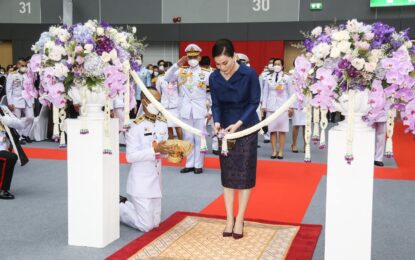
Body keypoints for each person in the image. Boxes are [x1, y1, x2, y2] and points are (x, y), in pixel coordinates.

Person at [210, 39, 260, 239]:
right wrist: (216, 122)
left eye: (225, 63)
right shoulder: (214, 77)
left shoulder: (248, 74)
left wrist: (239, 123)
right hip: (225, 130)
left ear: (234, 57)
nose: (222, 67)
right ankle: (229, 218)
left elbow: (254, 102)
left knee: (244, 174)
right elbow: (215, 104)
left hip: (246, 126)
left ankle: (240, 218)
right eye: (218, 64)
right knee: (228, 175)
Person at [119, 88, 174, 232]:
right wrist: (154, 150)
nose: (158, 104)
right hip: (141, 183)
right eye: (154, 100)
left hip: (156, 181)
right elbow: (130, 157)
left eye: (159, 101)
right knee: (146, 226)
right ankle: (119, 207)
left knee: (156, 223)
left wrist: (170, 152)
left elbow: (163, 149)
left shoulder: (162, 122)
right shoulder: (135, 127)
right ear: (144, 102)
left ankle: (127, 204)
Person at [164, 43, 211, 174]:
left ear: (200, 58)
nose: (192, 60)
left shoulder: (206, 73)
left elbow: (212, 91)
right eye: (190, 57)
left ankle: (198, 165)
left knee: (199, 137)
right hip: (185, 109)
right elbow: (167, 78)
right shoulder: (181, 71)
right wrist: (177, 64)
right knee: (188, 137)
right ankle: (189, 164)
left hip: (199, 109)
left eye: (195, 57)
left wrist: (210, 109)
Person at [262, 58, 293, 159]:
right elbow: (265, 92)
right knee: (272, 130)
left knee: (282, 130)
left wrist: (290, 107)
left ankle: (281, 151)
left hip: (282, 107)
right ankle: (274, 150)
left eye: (279, 64)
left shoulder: (287, 78)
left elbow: (290, 93)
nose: (276, 66)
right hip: (271, 107)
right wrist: (264, 106)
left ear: (282, 66)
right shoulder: (268, 77)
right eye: (275, 64)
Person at [0, 105, 30, 199]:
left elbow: (20, 125)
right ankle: (2, 189)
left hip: (3, 146)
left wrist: (8, 121)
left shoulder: (3, 108)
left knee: (8, 156)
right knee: (10, 158)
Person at [6, 58, 34, 144]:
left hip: (27, 100)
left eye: (25, 66)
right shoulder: (12, 75)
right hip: (16, 100)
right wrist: (10, 103)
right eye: (22, 65)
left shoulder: (29, 75)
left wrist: (32, 101)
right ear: (18, 65)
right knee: (17, 120)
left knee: (30, 117)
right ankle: (18, 137)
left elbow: (31, 89)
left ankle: (25, 134)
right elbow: (8, 90)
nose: (24, 67)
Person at [156, 61, 183, 140]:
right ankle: (172, 145)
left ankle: (181, 144)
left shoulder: (177, 77)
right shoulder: (160, 78)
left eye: (169, 68)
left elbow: (180, 91)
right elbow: (158, 92)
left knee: (178, 126)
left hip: (176, 106)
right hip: (165, 106)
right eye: (166, 68)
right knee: (169, 127)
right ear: (163, 68)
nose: (167, 69)